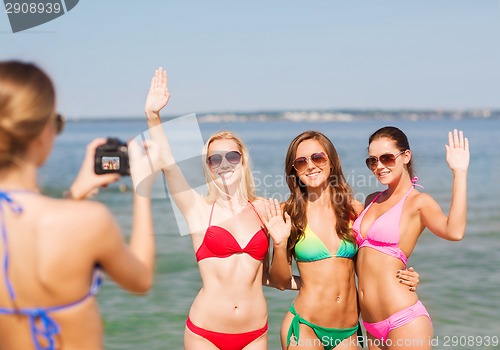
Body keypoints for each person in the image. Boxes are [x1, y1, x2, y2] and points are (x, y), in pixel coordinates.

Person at [0, 61, 160, 350]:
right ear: (43, 134)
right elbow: (141, 279)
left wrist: (76, 191)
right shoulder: (89, 221)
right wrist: (142, 186)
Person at [144, 67, 299, 350]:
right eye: (215, 159)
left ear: (243, 160)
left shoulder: (264, 209)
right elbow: (167, 163)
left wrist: (317, 282)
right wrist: (153, 116)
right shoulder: (197, 209)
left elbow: (272, 276)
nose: (224, 163)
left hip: (254, 332)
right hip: (206, 332)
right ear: (209, 167)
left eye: (231, 155)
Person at [262, 131, 420, 350]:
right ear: (294, 170)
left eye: (318, 157)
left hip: (349, 332)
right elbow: (279, 281)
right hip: (306, 327)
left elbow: (374, 260)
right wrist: (279, 245)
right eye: (301, 161)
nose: (310, 166)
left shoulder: (354, 210)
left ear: (331, 162)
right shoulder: (287, 214)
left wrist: (402, 277)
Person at [353, 126, 469, 349]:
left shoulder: (418, 202)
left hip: (404, 320)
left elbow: (454, 232)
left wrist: (459, 173)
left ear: (406, 156)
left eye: (387, 158)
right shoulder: (370, 200)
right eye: (372, 161)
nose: (379, 166)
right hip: (371, 324)